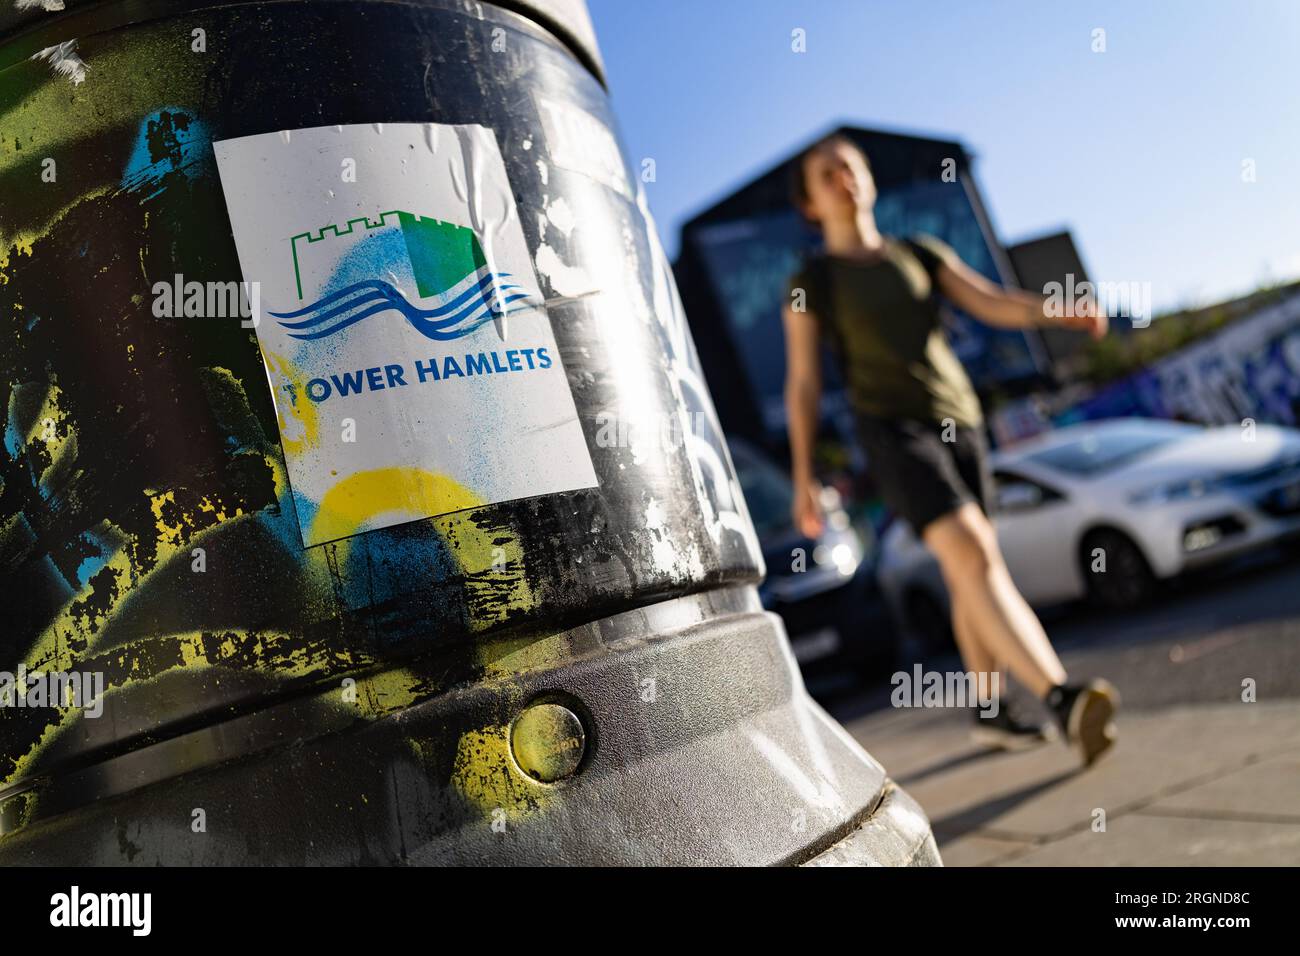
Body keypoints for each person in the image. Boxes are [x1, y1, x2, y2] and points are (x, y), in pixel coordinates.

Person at [781, 133, 1119, 764]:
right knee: (973, 551)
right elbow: (801, 382)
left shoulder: (919, 252)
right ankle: (1060, 695)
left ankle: (991, 712)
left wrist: (1059, 308)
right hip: (892, 429)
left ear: (870, 181)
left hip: (961, 424)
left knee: (973, 571)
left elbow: (993, 303)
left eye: (851, 168)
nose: (844, 180)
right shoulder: (812, 281)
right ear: (810, 204)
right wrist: (804, 477)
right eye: (827, 175)